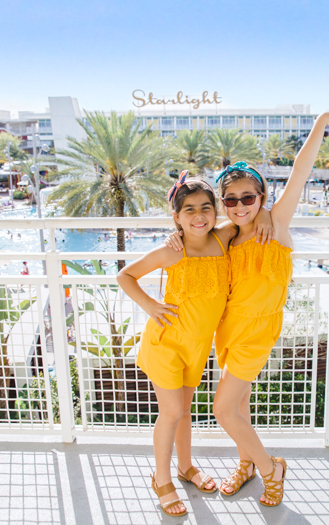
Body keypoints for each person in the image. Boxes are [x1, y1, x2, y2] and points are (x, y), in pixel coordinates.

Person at [166, 111, 329, 507]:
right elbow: (191, 224)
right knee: (240, 407)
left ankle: (270, 469)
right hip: (226, 329)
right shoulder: (224, 236)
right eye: (230, 200)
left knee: (223, 410)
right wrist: (175, 234)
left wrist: (320, 123)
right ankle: (246, 463)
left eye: (249, 198)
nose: (240, 205)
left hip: (258, 333)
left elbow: (301, 170)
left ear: (262, 197)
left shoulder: (276, 223)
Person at [118, 171, 272, 517]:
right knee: (171, 412)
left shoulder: (223, 239)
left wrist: (262, 212)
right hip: (166, 344)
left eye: (206, 207)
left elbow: (250, 215)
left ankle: (185, 467)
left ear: (216, 211)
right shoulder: (172, 251)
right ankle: (162, 479)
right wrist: (150, 305)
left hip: (197, 347)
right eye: (188, 210)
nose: (199, 215)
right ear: (176, 217)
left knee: (184, 410)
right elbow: (124, 275)